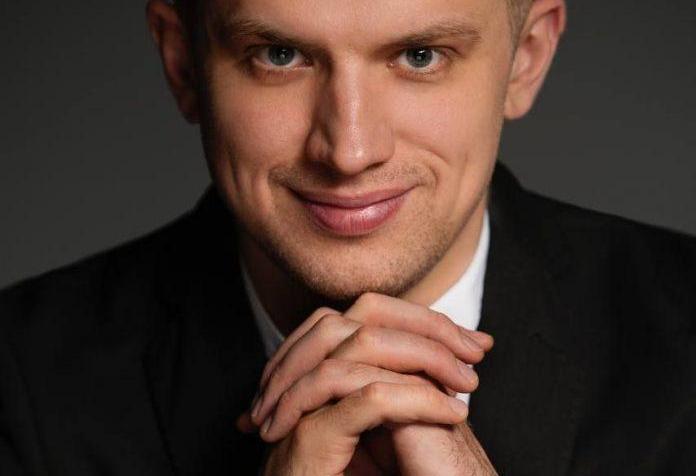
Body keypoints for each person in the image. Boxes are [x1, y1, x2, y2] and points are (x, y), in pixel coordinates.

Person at [1, 0, 694, 474]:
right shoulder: (21, 383)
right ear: (182, 62)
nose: (349, 151)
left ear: (526, 58)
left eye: (419, 56)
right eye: (280, 55)